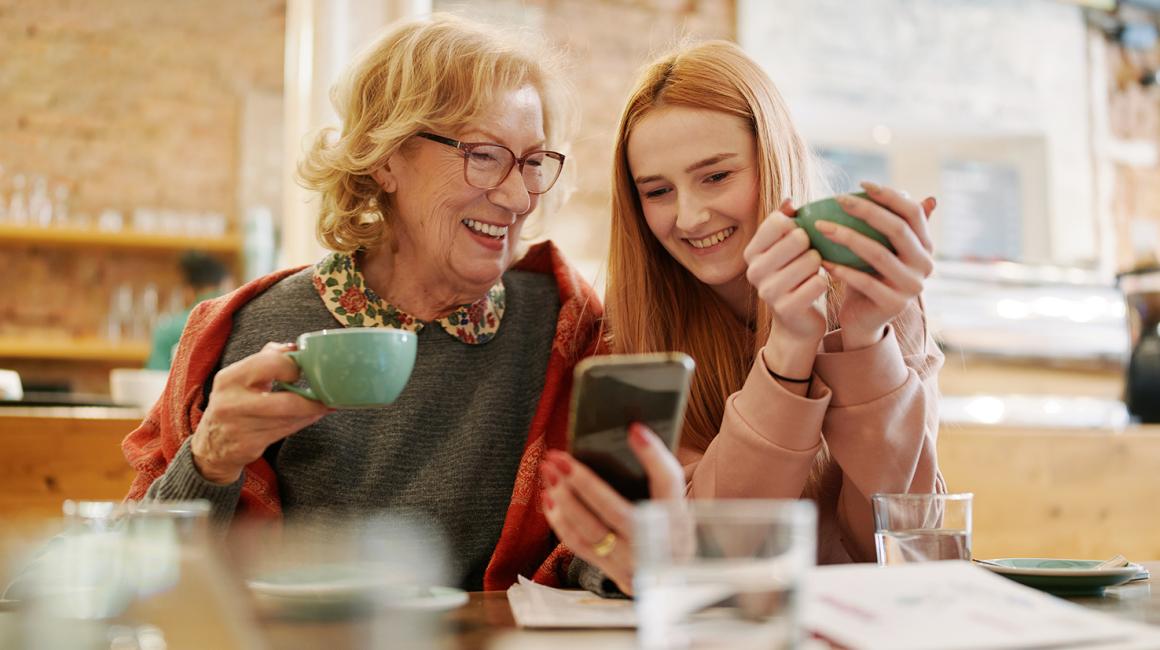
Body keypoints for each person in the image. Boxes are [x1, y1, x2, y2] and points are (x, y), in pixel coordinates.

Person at [121, 14, 603, 592]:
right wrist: (211, 458)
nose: (518, 196)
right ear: (386, 157)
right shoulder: (251, 328)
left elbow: (597, 545)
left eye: (532, 162)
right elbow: (136, 574)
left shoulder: (563, 324)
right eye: (483, 155)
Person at [541, 41, 945, 595]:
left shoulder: (875, 295)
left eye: (715, 176)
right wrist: (788, 349)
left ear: (774, 159)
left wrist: (865, 339)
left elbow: (903, 538)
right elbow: (705, 551)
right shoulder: (637, 327)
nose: (689, 216)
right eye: (658, 191)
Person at [145, 251, 233, 370]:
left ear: (188, 290)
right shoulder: (236, 319)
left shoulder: (168, 329)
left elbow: (155, 375)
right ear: (223, 284)